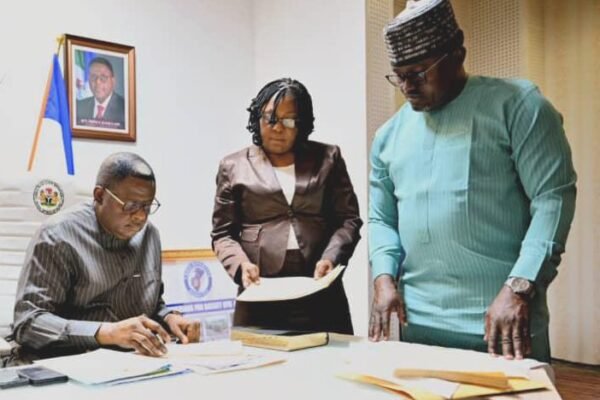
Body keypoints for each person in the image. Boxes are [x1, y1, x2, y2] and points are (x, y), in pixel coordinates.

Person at [368, 0, 576, 363]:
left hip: (503, 323)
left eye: (418, 73)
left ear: (457, 54)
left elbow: (553, 199)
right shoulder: (388, 136)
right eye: (398, 75)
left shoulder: (519, 106)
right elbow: (381, 219)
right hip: (419, 327)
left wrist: (519, 287)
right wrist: (383, 278)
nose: (407, 86)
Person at [211, 78, 362, 334]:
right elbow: (222, 234)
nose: (278, 128)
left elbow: (349, 220)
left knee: (329, 356)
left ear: (302, 123)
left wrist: (331, 257)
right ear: (257, 117)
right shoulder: (233, 166)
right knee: (261, 358)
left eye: (289, 120)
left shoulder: (328, 158)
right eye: (270, 118)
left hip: (320, 286)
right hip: (260, 289)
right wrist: (241, 266)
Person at [11, 152, 196, 361]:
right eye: (131, 205)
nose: (140, 217)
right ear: (99, 195)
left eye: (147, 206)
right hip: (67, 361)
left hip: (131, 361)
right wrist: (106, 333)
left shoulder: (149, 235)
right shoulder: (58, 236)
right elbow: (28, 323)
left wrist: (168, 318)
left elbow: (151, 305)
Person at [76, 57, 126, 129]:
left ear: (113, 81)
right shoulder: (79, 107)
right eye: (93, 77)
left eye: (103, 78)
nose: (97, 82)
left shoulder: (125, 108)